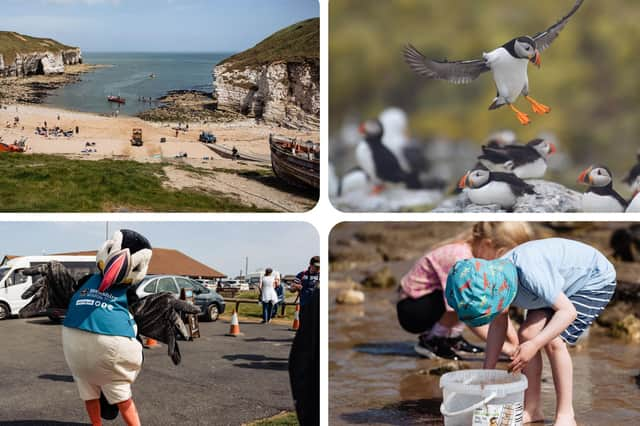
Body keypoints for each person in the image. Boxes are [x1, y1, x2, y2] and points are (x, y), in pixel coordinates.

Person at [445, 238, 616, 426]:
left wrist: (535, 345)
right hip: (556, 285)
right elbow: (498, 324)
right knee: (526, 335)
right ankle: (532, 408)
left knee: (554, 341)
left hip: (592, 280)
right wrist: (488, 372)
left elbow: (568, 312)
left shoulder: (530, 272)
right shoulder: (494, 280)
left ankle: (566, 415)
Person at [398, 222, 534, 360]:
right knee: (466, 298)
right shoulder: (460, 258)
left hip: (431, 299)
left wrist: (515, 343)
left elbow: (499, 306)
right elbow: (470, 312)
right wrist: (504, 347)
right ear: (487, 245)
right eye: (504, 258)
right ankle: (433, 340)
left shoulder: (480, 260)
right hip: (413, 308)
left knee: (474, 294)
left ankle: (452, 337)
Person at [62, 229, 153, 426]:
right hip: (81, 354)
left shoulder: (128, 292)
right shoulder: (87, 280)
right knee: (91, 393)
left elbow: (138, 314)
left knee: (119, 395)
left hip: (105, 353)